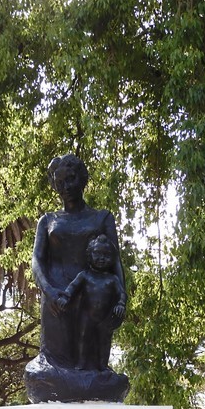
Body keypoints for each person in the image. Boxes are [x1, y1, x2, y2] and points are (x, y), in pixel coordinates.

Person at [31, 154, 126, 370]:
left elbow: (115, 262)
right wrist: (48, 291)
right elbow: (37, 260)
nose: (65, 187)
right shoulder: (47, 221)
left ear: (82, 178)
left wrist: (121, 300)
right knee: (53, 368)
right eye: (59, 182)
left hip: (95, 300)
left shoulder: (102, 218)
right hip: (57, 300)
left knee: (93, 366)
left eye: (71, 178)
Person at [57, 234, 126, 371]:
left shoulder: (112, 279)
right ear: (89, 255)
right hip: (86, 315)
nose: (102, 258)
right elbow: (72, 288)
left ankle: (103, 366)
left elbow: (121, 294)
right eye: (97, 253)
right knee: (83, 339)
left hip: (105, 317)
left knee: (104, 341)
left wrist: (121, 304)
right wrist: (65, 298)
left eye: (106, 255)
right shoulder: (85, 275)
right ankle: (81, 363)